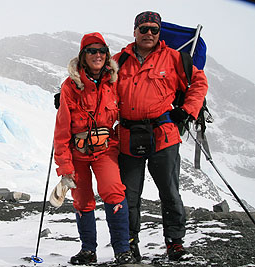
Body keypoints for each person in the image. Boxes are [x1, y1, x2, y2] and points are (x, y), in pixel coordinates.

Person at [113, 11, 208, 262]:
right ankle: (130, 244)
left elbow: (199, 83)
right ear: (134, 31)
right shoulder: (119, 61)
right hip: (127, 136)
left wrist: (187, 110)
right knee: (127, 195)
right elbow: (95, 81)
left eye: (154, 29)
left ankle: (174, 243)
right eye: (144, 29)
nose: (149, 34)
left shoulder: (175, 59)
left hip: (163, 135)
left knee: (169, 191)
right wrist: (68, 92)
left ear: (160, 32)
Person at [53, 32, 135, 265]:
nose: (97, 55)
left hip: (105, 150)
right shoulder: (70, 87)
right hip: (77, 153)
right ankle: (88, 250)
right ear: (82, 56)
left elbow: (127, 113)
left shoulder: (114, 82)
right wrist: (64, 166)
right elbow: (61, 131)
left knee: (114, 191)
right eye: (91, 51)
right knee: (82, 199)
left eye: (101, 51)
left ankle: (122, 250)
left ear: (107, 55)